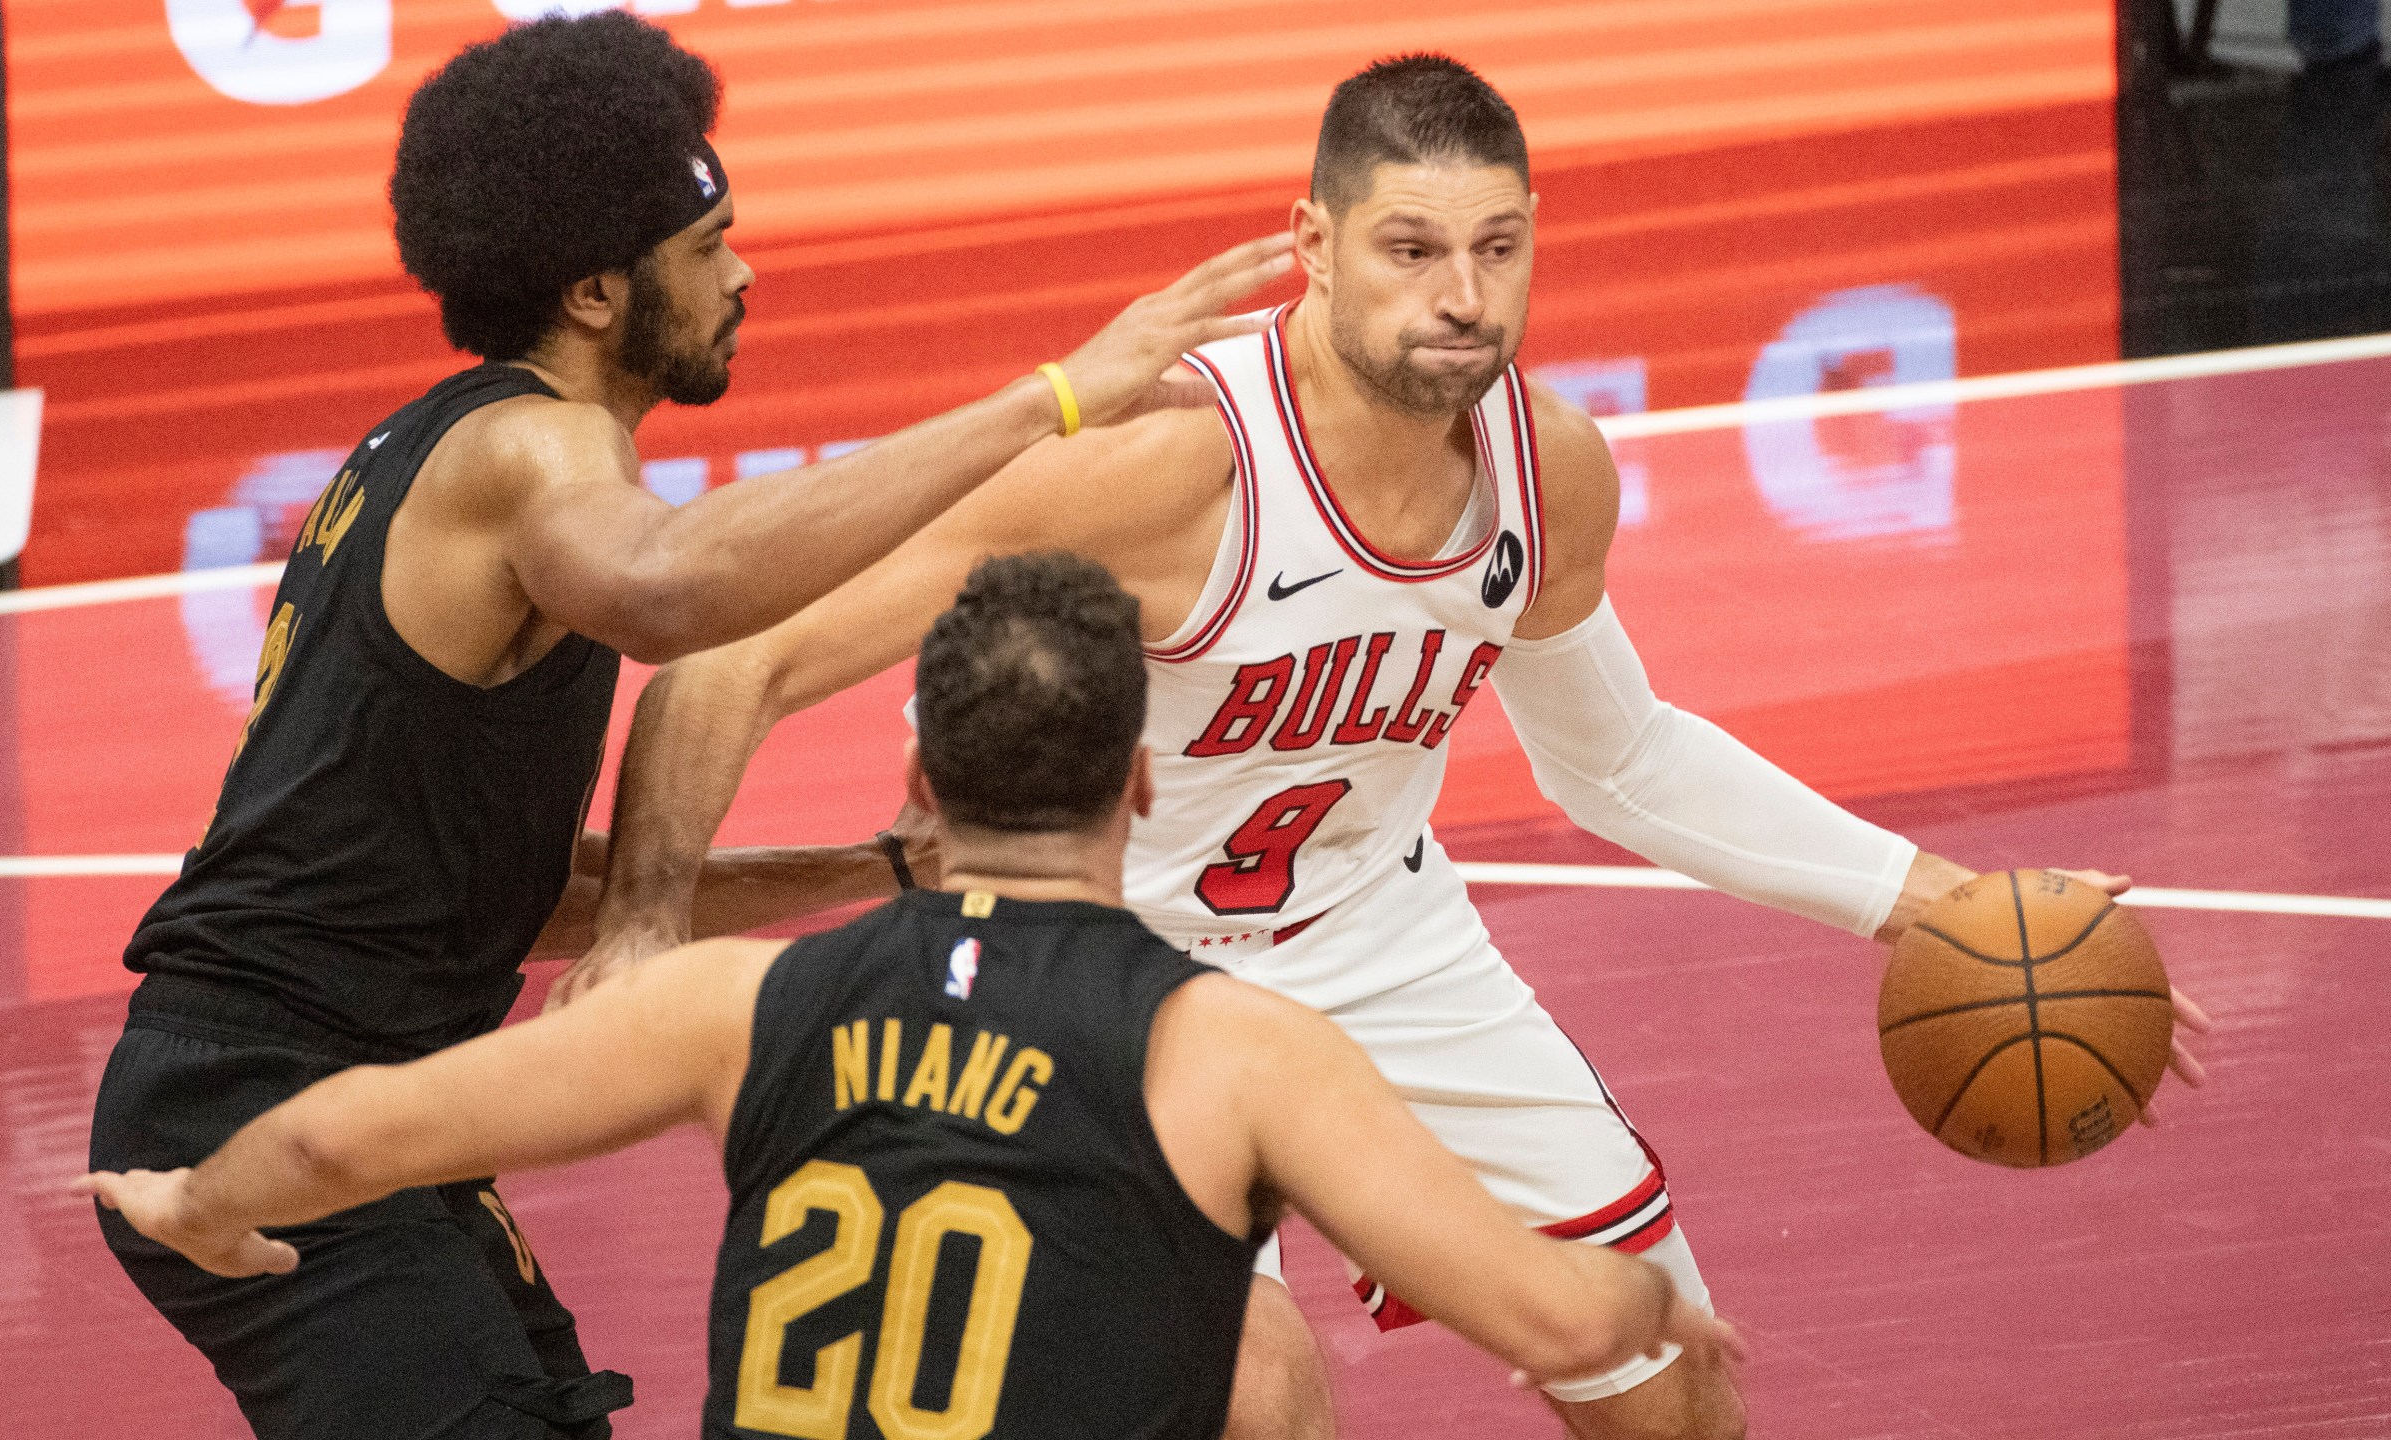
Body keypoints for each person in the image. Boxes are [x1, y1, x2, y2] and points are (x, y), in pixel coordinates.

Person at [563, 54, 2213, 1440]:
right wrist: (640, 917)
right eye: (1413, 249)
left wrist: (1935, 898)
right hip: (1107, 964)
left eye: (1498, 248)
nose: (1463, 295)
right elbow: (741, 647)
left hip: (1378, 934)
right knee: (1262, 1397)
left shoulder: (1545, 467)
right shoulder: (1165, 471)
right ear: (1316, 245)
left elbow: (1617, 757)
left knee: (1668, 1375)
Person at [84, 15, 1291, 1439]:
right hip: (260, 1093)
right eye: (711, 248)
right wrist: (1050, 400)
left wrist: (868, 867)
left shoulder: (456, 451)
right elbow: (673, 593)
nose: (745, 272)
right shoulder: (530, 451)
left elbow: (513, 895)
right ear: (599, 292)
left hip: (357, 1104)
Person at [80, 553, 1744, 1439]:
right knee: (1252, 1370)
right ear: (1146, 790)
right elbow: (1556, 1318)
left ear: (919, 782)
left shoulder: (730, 1007)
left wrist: (200, 1197)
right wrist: (1661, 1321)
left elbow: (349, 1134)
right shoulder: (1237, 1052)